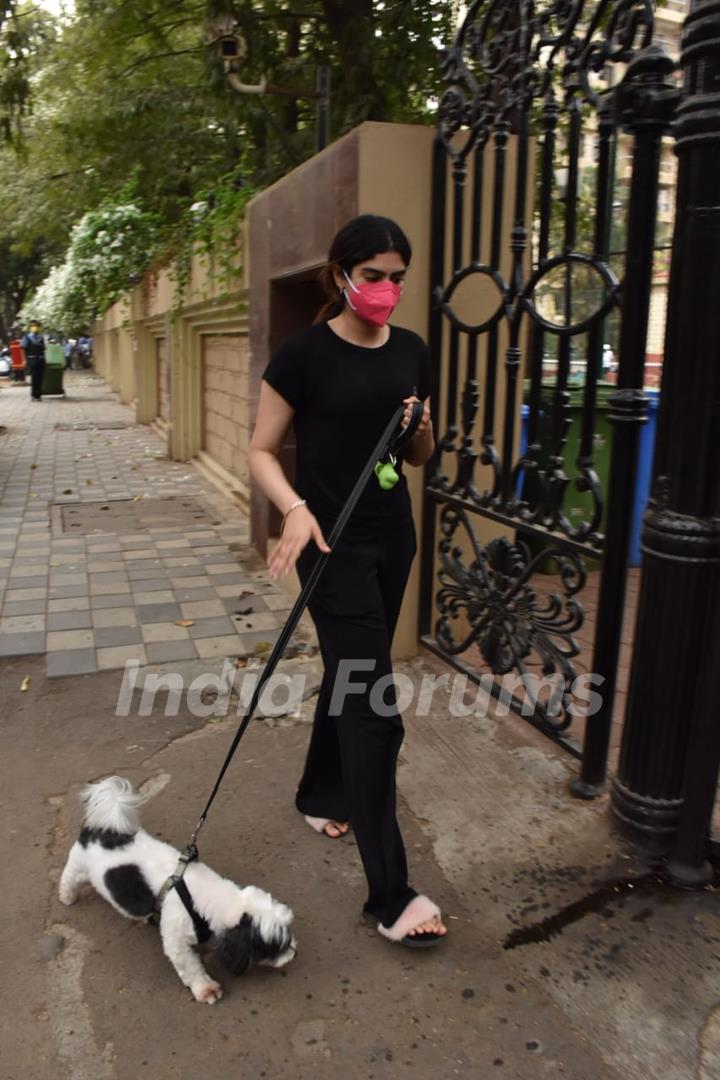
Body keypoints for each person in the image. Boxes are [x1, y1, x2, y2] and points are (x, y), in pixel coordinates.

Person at [248, 214, 447, 948]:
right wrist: (294, 509)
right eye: (374, 277)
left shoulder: (414, 351)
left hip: (392, 542)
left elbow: (423, 452)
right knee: (374, 707)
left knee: (349, 672)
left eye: (398, 277)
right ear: (341, 276)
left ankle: (317, 791)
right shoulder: (302, 356)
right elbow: (262, 449)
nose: (387, 290)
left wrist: (420, 427)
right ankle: (389, 896)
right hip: (327, 549)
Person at [21, 320, 46, 401]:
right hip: (32, 359)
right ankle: (33, 395)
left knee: (40, 378)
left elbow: (43, 349)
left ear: (38, 327)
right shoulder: (27, 337)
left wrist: (45, 359)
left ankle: (38, 395)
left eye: (35, 326)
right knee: (34, 378)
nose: (34, 327)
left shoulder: (40, 338)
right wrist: (24, 360)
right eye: (32, 326)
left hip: (41, 359)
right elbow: (23, 349)